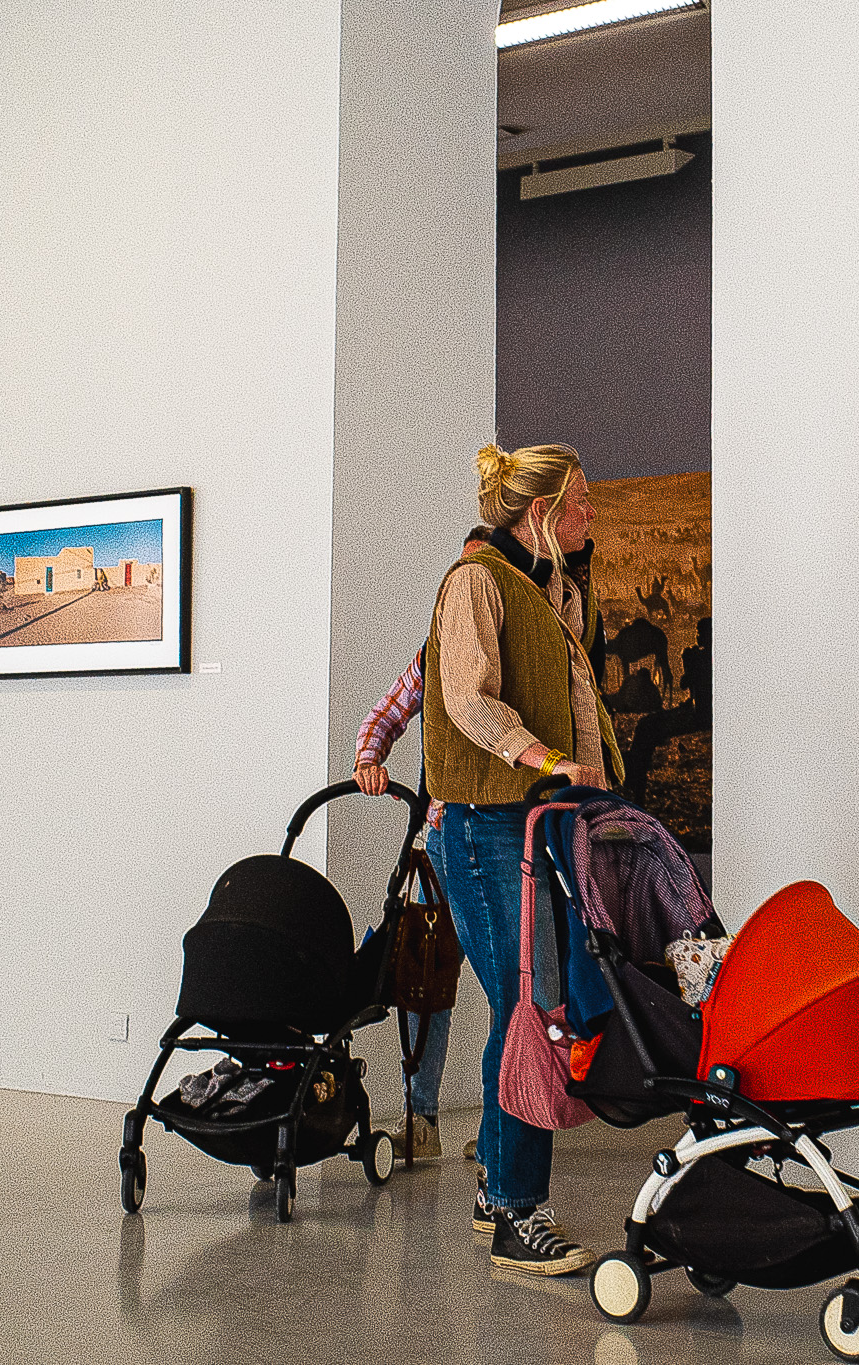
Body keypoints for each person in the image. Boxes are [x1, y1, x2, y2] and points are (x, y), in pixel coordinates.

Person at [421, 441, 621, 1277]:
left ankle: (494, 1184)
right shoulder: (475, 582)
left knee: (522, 1003)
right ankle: (514, 1210)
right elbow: (467, 698)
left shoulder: (552, 592)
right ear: (539, 513)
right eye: (578, 502)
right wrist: (542, 757)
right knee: (528, 1010)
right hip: (483, 825)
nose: (590, 516)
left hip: (536, 825)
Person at [352, 526, 491, 1163]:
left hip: (503, 839)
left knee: (515, 987)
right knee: (424, 976)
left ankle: (504, 1130)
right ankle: (423, 1119)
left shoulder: (519, 653)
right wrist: (370, 759)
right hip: (439, 838)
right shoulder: (436, 651)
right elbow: (384, 715)